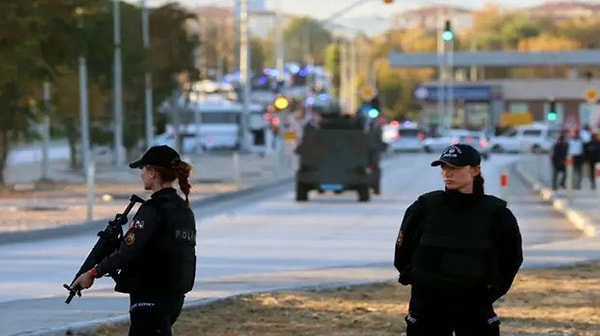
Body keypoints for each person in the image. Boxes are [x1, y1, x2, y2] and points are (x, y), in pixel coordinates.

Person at [394, 144, 523, 336]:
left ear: (475, 170)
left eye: (455, 168)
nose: (448, 174)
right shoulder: (424, 207)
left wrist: (489, 292)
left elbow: (511, 258)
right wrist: (419, 278)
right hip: (428, 304)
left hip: (474, 304)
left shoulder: (496, 214)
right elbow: (402, 252)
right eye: (444, 168)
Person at [70, 145, 197, 336]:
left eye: (143, 169)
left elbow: (127, 251)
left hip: (150, 299)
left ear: (153, 172)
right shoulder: (184, 209)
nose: (141, 175)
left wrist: (93, 273)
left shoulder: (153, 210)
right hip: (174, 299)